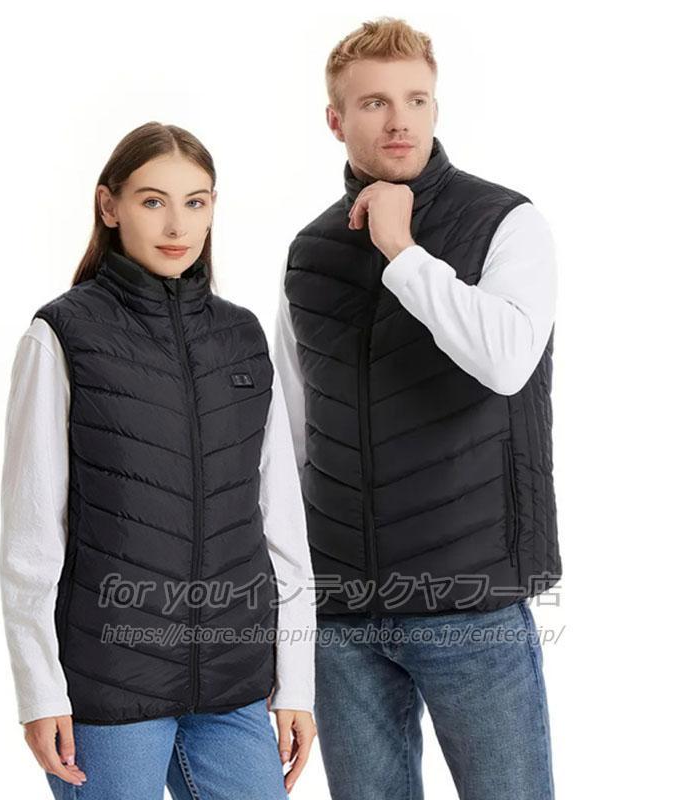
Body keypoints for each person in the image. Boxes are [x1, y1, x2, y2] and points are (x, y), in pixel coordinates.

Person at [273, 17, 560, 800]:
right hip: (341, 615)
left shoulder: (506, 222)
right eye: (374, 103)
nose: (399, 121)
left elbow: (506, 360)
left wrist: (403, 252)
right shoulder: (308, 253)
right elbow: (290, 435)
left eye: (416, 99)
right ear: (336, 120)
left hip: (471, 602)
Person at [0, 121, 317, 799]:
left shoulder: (241, 337)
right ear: (109, 206)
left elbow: (281, 524)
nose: (178, 224)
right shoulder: (63, 334)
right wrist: (39, 692)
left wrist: (297, 682)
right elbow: (32, 534)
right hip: (109, 685)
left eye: (195, 202)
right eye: (153, 201)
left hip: (233, 681)